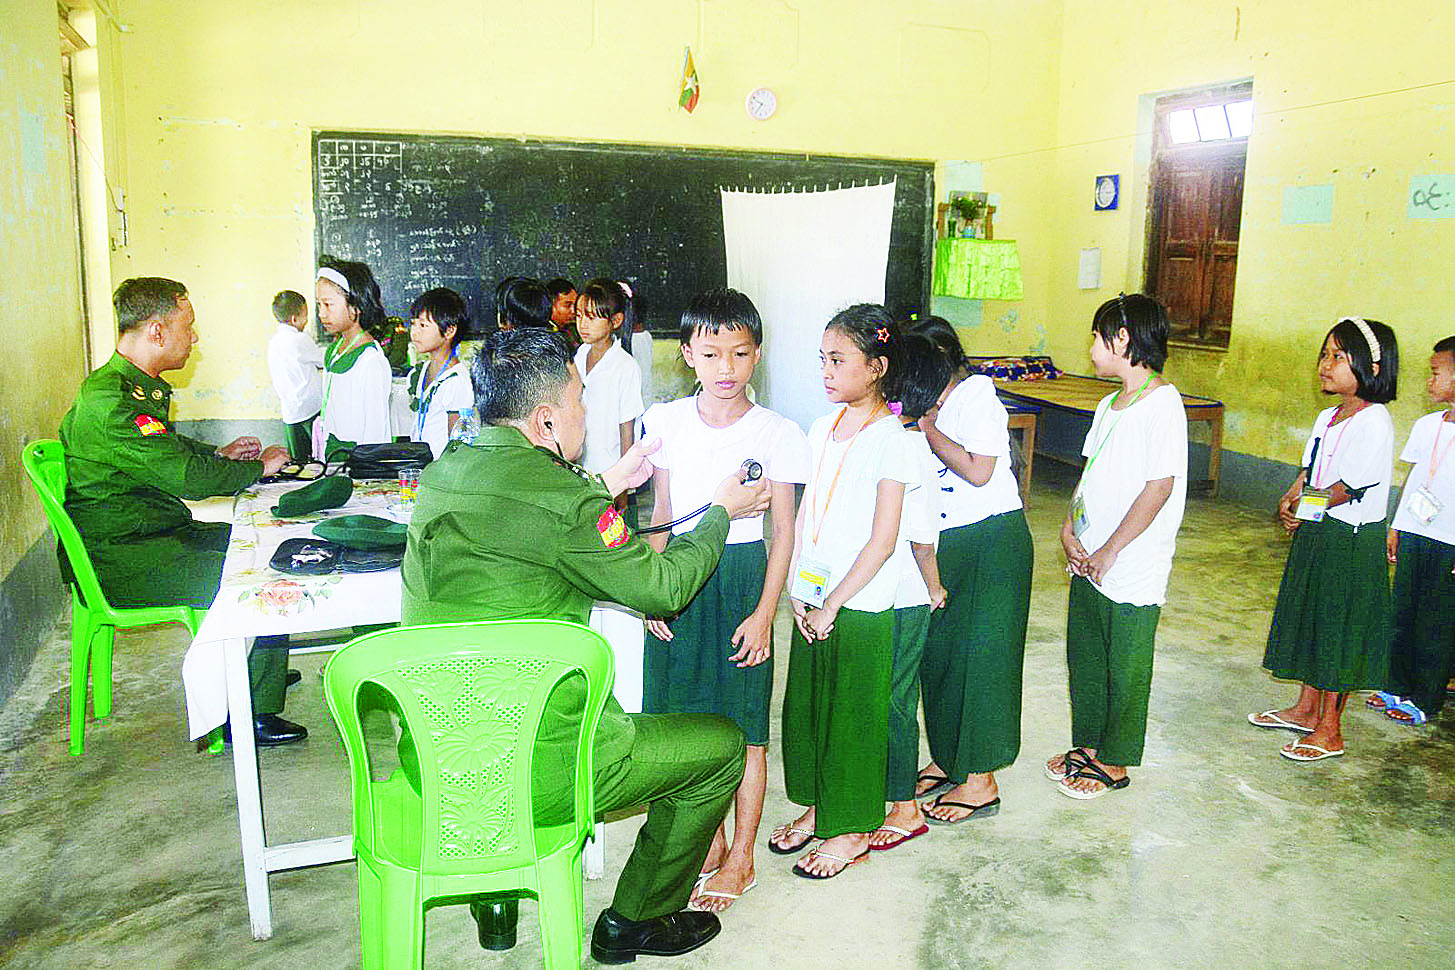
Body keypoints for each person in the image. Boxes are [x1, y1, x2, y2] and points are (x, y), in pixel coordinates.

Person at [400, 327, 771, 963]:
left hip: (438, 756)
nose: (585, 415)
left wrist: (605, 482)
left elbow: (527, 512)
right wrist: (719, 512)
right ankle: (636, 921)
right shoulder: (570, 503)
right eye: (578, 403)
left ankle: (495, 899)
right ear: (546, 421)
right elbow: (663, 586)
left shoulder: (443, 473)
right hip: (535, 768)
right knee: (719, 748)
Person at [59, 278, 305, 746]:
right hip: (122, 556)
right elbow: (187, 478)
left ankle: (255, 672)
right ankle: (244, 712)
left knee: (267, 546)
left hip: (152, 534)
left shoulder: (127, 388)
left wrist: (219, 454)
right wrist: (257, 468)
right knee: (258, 574)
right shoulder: (110, 402)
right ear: (157, 331)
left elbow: (164, 447)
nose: (194, 338)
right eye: (187, 326)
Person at [640, 288, 809, 911]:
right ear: (687, 354)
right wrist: (653, 594)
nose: (726, 368)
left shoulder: (778, 432)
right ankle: (705, 841)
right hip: (680, 575)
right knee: (678, 721)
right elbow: (659, 511)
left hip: (740, 577)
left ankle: (741, 855)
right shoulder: (664, 422)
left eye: (739, 353)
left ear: (756, 354)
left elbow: (783, 531)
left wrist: (766, 613)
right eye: (711, 354)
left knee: (745, 727)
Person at [769, 304, 917, 879]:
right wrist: (799, 589)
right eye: (823, 359)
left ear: (877, 367)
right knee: (809, 708)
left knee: (853, 715)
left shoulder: (893, 439)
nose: (826, 371)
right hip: (817, 596)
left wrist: (834, 602)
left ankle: (851, 827)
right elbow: (810, 514)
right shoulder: (821, 428)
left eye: (838, 360)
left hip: (861, 602)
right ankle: (818, 806)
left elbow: (884, 538)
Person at [1048, 294, 1187, 797]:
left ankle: (1116, 759)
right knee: (1087, 653)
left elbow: (1159, 487)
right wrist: (1070, 528)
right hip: (1090, 555)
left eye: (1096, 336)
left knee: (1126, 660)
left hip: (1131, 559)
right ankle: (1089, 744)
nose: (1091, 347)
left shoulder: (1163, 404)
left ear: (1123, 339)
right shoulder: (1109, 405)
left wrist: (1111, 549)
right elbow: (1090, 474)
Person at [1250, 317, 1399, 759]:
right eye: (1324, 354)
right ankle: (1305, 709)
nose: (1325, 364)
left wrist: (1303, 507)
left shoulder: (1375, 421)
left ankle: (1330, 729)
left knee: (1338, 628)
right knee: (1311, 616)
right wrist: (1290, 498)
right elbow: (1310, 471)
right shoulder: (1327, 417)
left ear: (1372, 366)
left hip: (1349, 539)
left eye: (1338, 356)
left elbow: (1346, 489)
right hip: (1318, 532)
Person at [910, 316, 1033, 822]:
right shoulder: (927, 405)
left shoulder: (977, 394)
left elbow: (980, 471)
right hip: (948, 545)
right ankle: (950, 759)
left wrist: (928, 429)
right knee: (940, 657)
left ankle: (980, 780)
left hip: (991, 543)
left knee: (983, 662)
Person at [868, 332, 946, 851]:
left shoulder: (909, 447)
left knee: (896, 700)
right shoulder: (896, 440)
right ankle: (886, 790)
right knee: (884, 696)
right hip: (884, 594)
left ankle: (905, 807)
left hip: (907, 597)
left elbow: (921, 540)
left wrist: (935, 588)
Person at [1376, 336, 1455, 726]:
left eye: (1436, 373)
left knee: (1437, 621)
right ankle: (1395, 684)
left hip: (1450, 543)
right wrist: (1396, 524)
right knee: (1403, 611)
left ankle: (1425, 698)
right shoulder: (1427, 426)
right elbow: (1413, 480)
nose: (1429, 380)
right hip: (1415, 532)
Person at [314, 256, 392, 461]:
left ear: (356, 306)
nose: (321, 314)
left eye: (328, 304)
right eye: (319, 304)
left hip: (356, 459)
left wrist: (367, 468)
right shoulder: (334, 351)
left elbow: (376, 431)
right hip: (332, 454)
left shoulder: (370, 360)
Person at [574, 278, 645, 475]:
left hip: (610, 471)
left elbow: (627, 427)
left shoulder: (625, 366)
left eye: (591, 317)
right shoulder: (580, 355)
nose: (582, 324)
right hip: (581, 468)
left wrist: (624, 477)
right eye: (579, 315)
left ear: (615, 321)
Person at [405, 287, 473, 458]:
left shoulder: (457, 380)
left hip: (441, 468)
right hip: (420, 463)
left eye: (423, 325)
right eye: (413, 324)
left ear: (449, 331)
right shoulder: (422, 370)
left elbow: (457, 447)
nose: (414, 332)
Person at [265, 289, 323, 460]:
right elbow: (323, 361)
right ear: (294, 319)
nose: (307, 320)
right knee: (318, 457)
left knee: (298, 461)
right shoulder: (300, 339)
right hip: (311, 409)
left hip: (290, 412)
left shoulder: (273, 343)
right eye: (305, 315)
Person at [545, 276, 580, 347]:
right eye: (567, 305)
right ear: (551, 305)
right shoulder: (544, 334)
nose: (574, 311)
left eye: (575, 304)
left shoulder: (575, 329)